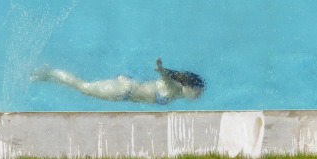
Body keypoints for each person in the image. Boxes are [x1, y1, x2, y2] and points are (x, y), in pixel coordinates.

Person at [30, 58, 204, 105]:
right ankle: (49, 71)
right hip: (124, 90)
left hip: (127, 86)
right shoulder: (175, 89)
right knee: (84, 87)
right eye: (198, 91)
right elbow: (167, 80)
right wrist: (161, 69)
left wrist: (162, 70)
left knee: (84, 87)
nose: (199, 95)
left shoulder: (177, 92)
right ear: (189, 87)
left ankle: (45, 75)